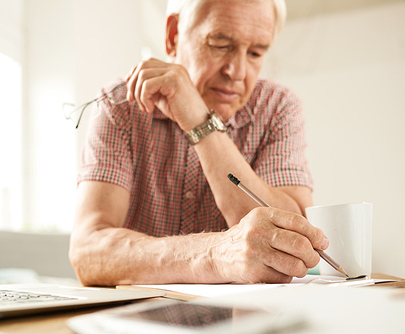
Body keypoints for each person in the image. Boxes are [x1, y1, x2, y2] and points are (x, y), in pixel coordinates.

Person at [69, 0, 329, 286]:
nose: (238, 72)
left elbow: (297, 244)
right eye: (220, 45)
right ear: (173, 36)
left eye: (255, 53)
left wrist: (200, 122)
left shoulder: (277, 107)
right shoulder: (120, 105)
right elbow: (87, 252)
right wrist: (215, 254)